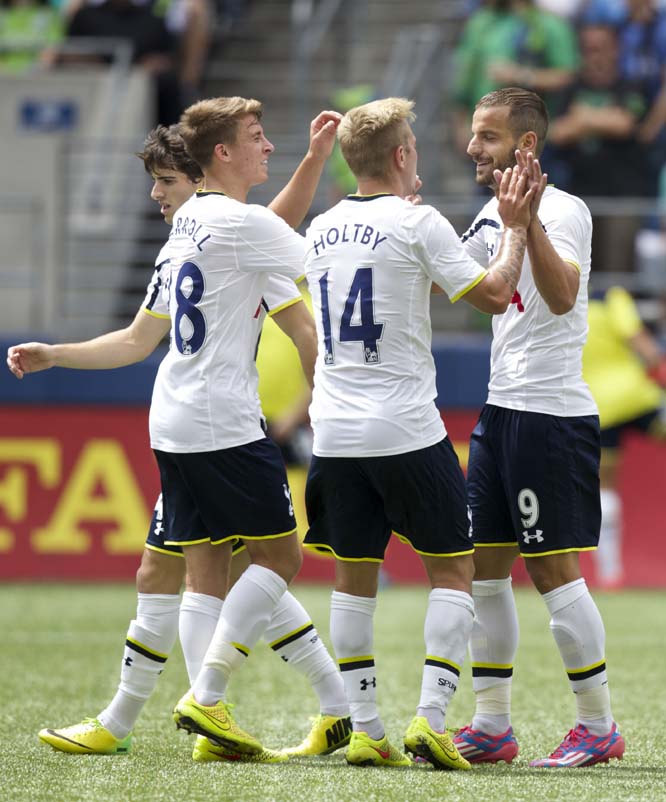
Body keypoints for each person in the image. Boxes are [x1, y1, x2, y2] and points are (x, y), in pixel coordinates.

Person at [8, 115, 352, 761]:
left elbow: (145, 336)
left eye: (164, 180)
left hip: (175, 421)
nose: (156, 194)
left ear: (198, 176)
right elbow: (299, 257)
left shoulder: (197, 234)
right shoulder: (231, 232)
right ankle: (218, 703)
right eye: (258, 140)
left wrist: (56, 353)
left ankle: (146, 717)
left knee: (180, 571)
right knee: (268, 562)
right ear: (219, 158)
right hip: (221, 425)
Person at [301, 96, 541, 769]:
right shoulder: (419, 222)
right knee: (454, 570)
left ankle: (369, 727)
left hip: (335, 432)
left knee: (353, 580)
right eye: (414, 146)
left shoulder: (320, 229)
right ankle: (430, 718)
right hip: (406, 426)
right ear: (402, 155)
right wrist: (516, 227)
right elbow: (495, 294)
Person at [452, 87, 626, 768]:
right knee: (485, 574)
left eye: (488, 136)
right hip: (501, 411)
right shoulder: (486, 214)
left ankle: (598, 726)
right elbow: (452, 278)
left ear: (526, 146)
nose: (474, 148)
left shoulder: (566, 210)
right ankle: (492, 725)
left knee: (553, 569)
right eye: (474, 134)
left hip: (550, 414)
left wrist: (529, 225)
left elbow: (560, 296)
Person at [583, 285, 666, 588]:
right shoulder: (612, 297)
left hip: (599, 407)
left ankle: (609, 571)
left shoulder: (565, 303)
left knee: (605, 487)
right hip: (637, 398)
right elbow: (643, 345)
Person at [453, 0, 579, 155]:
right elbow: (465, 80)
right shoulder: (482, 23)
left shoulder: (549, 24)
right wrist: (460, 124)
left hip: (535, 139)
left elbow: (568, 76)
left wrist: (521, 75)